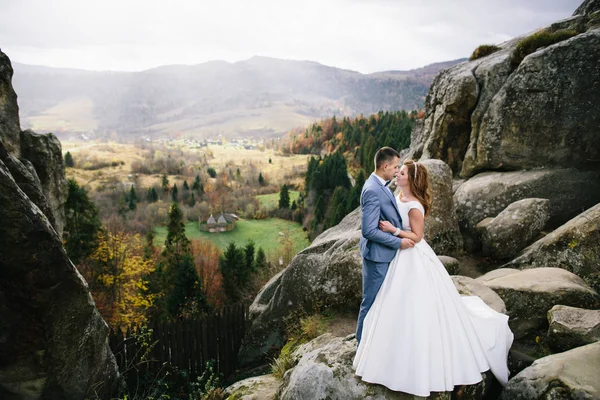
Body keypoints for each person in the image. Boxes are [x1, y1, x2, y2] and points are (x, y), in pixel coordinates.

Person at [353, 159, 513, 397]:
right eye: (398, 170)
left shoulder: (415, 205)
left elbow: (417, 237)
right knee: (391, 302)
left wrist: (394, 231)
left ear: (412, 179)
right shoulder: (397, 195)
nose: (397, 174)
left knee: (416, 304)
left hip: (411, 253)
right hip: (398, 254)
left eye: (402, 172)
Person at [357, 147, 415, 344]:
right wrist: (398, 242)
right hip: (377, 256)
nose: (397, 171)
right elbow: (369, 231)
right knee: (370, 302)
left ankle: (376, 342)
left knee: (382, 302)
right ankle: (361, 346)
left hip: (384, 254)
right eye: (395, 167)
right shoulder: (372, 190)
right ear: (385, 166)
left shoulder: (380, 183)